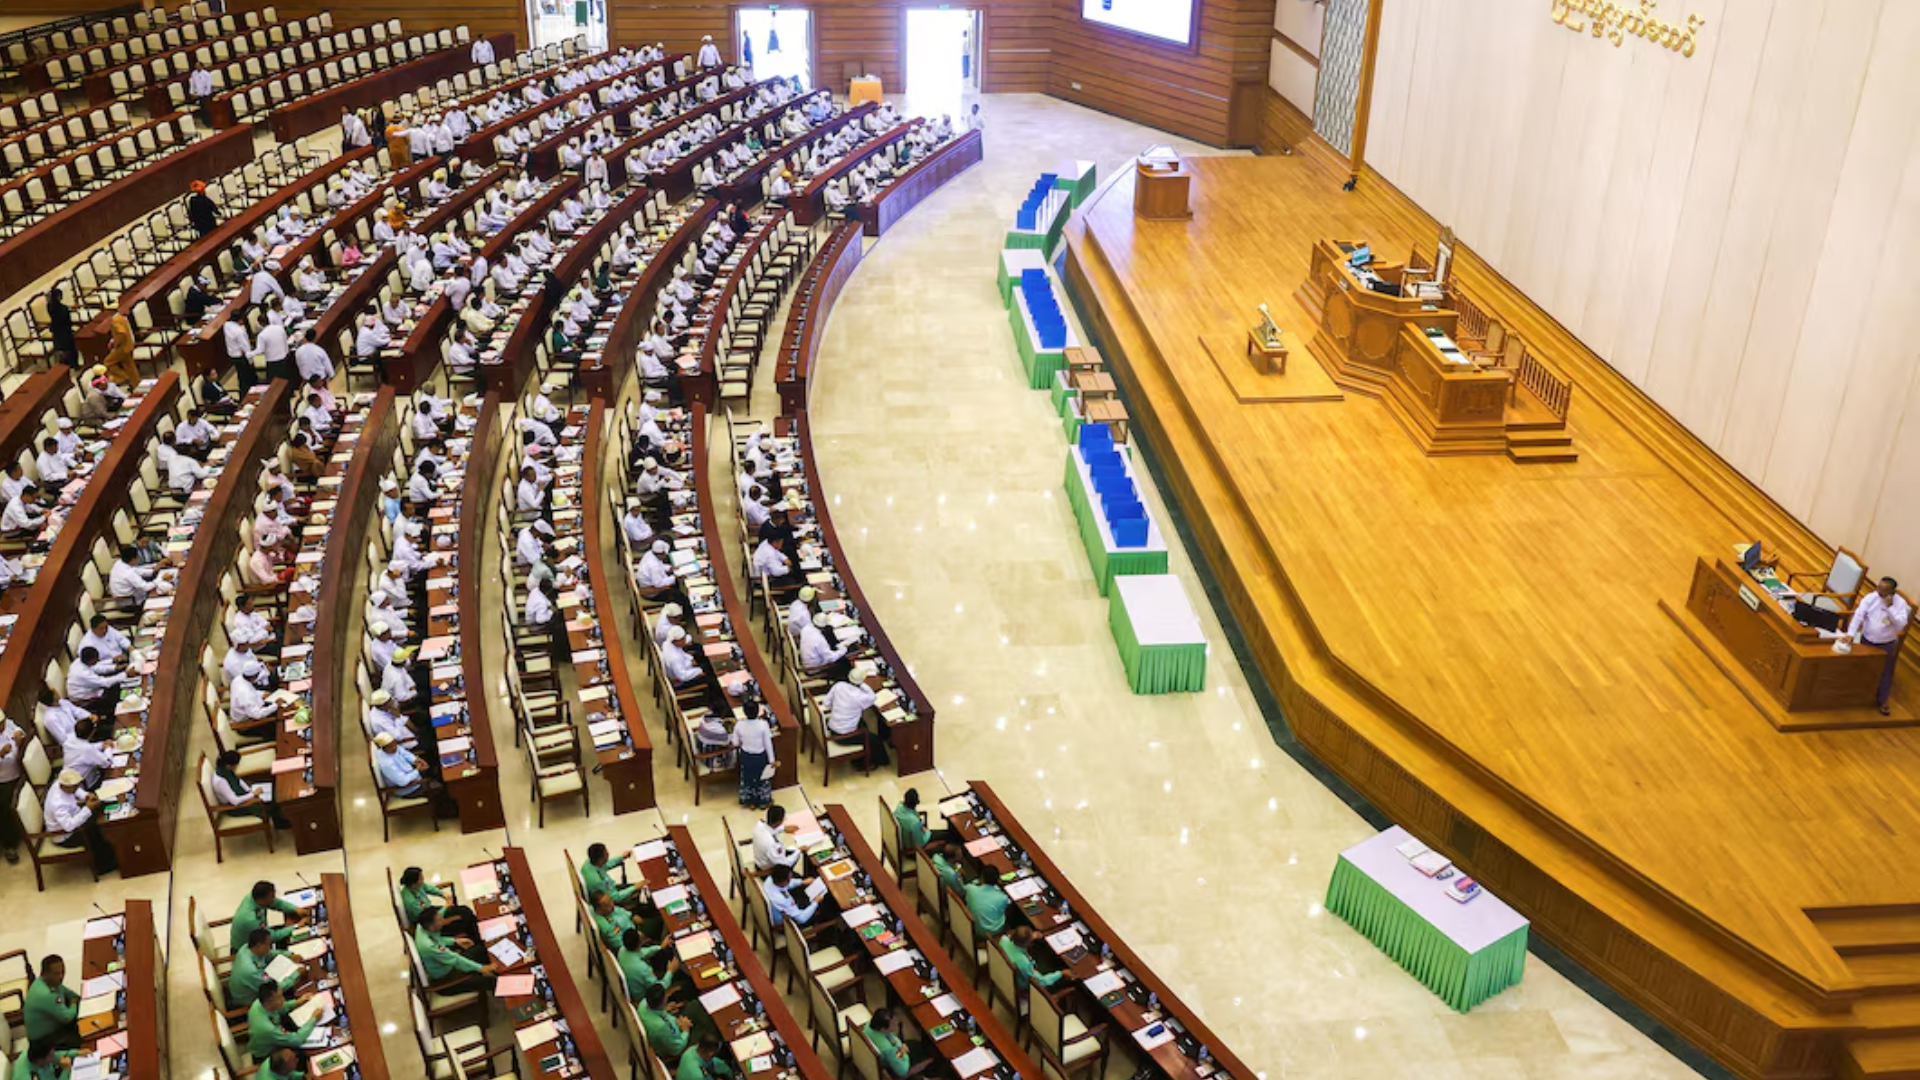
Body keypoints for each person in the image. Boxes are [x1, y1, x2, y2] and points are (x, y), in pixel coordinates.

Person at [1846, 577, 1911, 716]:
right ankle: (1856, 694)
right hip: (1867, 639)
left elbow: (1900, 625)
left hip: (1886, 644)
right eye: (1878, 587)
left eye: (1883, 590)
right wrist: (1851, 633)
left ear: (1892, 592)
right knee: (1861, 666)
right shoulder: (1871, 598)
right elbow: (1859, 615)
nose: (1878, 591)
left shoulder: (1900, 604)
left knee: (1885, 672)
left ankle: (1882, 700)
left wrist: (1889, 609)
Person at [43, 770, 114, 876]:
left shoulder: (60, 783)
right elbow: (69, 826)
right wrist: (88, 809)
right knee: (93, 830)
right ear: (65, 786)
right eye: (74, 786)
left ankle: (110, 849)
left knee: (99, 817)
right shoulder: (58, 804)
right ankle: (104, 866)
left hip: (73, 818)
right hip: (65, 836)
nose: (77, 788)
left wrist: (86, 796)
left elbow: (75, 790)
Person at [414, 906, 496, 992]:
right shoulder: (428, 946)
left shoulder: (422, 927)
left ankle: (500, 970)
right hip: (445, 977)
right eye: (439, 920)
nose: (443, 920)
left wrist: (456, 941)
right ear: (431, 927)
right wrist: (481, 968)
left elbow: (439, 940)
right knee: (488, 982)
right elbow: (455, 959)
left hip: (448, 962)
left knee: (482, 950)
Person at [211, 748, 294, 829]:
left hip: (243, 795)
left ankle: (280, 817)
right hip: (236, 807)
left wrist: (249, 790)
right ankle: (278, 822)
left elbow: (238, 781)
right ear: (229, 765)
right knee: (268, 802)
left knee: (272, 791)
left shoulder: (224, 770)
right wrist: (253, 794)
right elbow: (235, 801)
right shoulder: (220, 782)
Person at [823, 660, 883, 767]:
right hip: (844, 736)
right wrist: (862, 684)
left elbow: (826, 703)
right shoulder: (860, 697)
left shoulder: (839, 686)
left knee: (863, 722)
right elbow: (873, 697)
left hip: (832, 728)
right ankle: (874, 762)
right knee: (874, 739)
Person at [246, 981, 320, 1064]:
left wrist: (297, 1002)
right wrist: (313, 1019)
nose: (284, 999)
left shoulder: (259, 1003)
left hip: (272, 1037)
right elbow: (297, 1040)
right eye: (280, 997)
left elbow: (280, 1007)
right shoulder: (267, 1028)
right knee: (305, 1054)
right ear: (269, 1002)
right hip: (268, 1055)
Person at [228, 927, 299, 1007]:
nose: (270, 948)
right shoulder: (251, 970)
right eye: (269, 945)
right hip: (249, 1000)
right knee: (295, 992)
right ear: (259, 946)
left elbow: (268, 953)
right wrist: (296, 975)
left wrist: (288, 954)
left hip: (259, 981)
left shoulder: (247, 947)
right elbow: (272, 991)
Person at [232, 881, 310, 953]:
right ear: (262, 899)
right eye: (272, 897)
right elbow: (271, 937)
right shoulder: (251, 919)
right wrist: (297, 926)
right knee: (292, 945)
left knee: (287, 932)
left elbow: (277, 903)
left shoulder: (254, 898)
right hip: (248, 951)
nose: (274, 899)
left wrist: (295, 909)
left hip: (261, 934)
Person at [399, 867, 478, 937]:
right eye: (421, 878)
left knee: (465, 910)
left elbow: (428, 888)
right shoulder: (411, 902)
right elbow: (428, 919)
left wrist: (443, 894)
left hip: (431, 911)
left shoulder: (416, 885)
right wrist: (446, 906)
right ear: (413, 883)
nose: (423, 880)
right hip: (430, 923)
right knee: (464, 918)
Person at [23, 956, 80, 1048]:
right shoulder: (46, 994)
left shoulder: (47, 981)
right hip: (42, 1043)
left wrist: (76, 998)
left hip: (51, 1029)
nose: (61, 976)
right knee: (79, 1034)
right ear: (45, 973)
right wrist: (73, 1003)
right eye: (57, 974)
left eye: (63, 972)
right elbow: (67, 1018)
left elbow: (67, 992)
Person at [863, 1009, 932, 1078]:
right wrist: (902, 1052)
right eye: (892, 1023)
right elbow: (903, 1071)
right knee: (923, 1054)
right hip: (893, 1063)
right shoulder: (890, 1049)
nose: (896, 1023)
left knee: (915, 1044)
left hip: (881, 1053)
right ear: (883, 1029)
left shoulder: (868, 1025)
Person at [732, 699, 775, 808]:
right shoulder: (763, 724)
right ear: (757, 711)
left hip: (746, 756)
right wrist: (772, 760)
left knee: (748, 779)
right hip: (760, 757)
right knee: (762, 779)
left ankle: (750, 801)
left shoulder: (739, 725)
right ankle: (763, 802)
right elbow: (768, 744)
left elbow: (735, 742)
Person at [637, 984, 692, 1065]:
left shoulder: (643, 1003)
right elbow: (676, 1049)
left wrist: (665, 1010)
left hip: (670, 1026)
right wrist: (686, 1030)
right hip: (671, 1044)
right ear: (663, 1001)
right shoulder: (661, 1027)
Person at [998, 925, 1066, 990]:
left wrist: (1031, 936)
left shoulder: (1003, 940)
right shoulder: (1024, 962)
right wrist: (1061, 973)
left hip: (1003, 971)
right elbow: (1041, 982)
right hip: (1020, 982)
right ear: (1027, 943)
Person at [752, 803, 804, 874]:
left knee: (793, 853)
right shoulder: (772, 844)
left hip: (761, 860)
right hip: (768, 870)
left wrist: (783, 828)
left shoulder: (759, 825)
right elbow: (784, 864)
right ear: (780, 821)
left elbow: (769, 829)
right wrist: (800, 850)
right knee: (796, 855)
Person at [0, 710, 24, 864]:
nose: (3, 726)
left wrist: (18, 734)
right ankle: (9, 845)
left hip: (20, 772)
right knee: (6, 812)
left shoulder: (7, 723)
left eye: (3, 723)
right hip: (4, 780)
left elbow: (20, 730)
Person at [963, 865, 1013, 937]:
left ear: (982, 878)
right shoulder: (1002, 898)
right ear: (998, 880)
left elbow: (970, 885)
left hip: (971, 926)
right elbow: (1009, 903)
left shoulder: (970, 889)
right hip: (992, 931)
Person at [45, 288, 75, 367]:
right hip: (65, 331)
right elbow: (68, 321)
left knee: (61, 347)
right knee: (70, 345)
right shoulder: (63, 308)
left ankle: (62, 363)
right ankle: (72, 363)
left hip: (56, 331)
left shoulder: (49, 307)